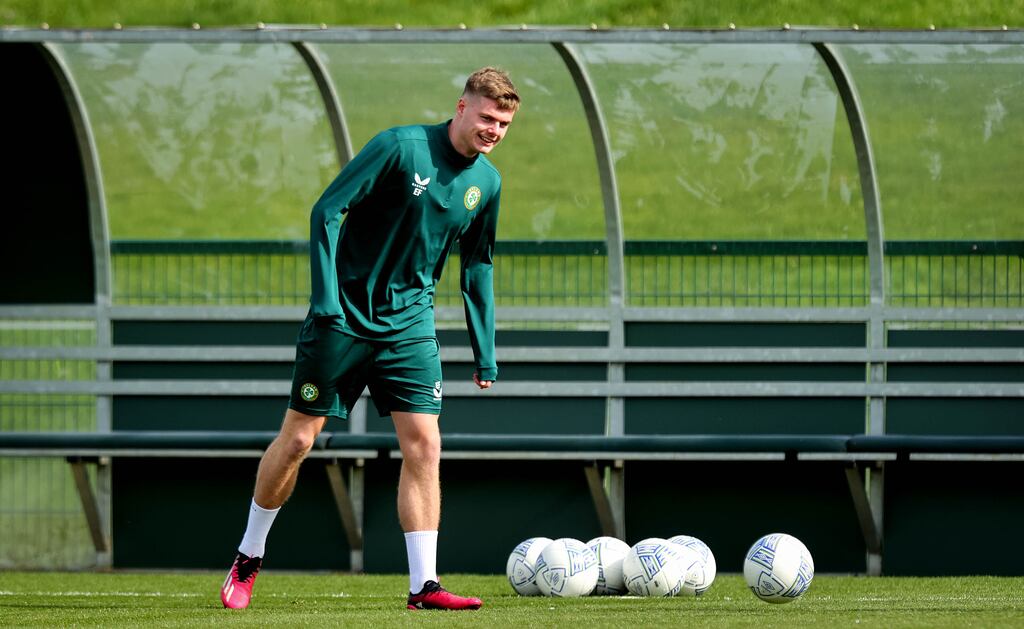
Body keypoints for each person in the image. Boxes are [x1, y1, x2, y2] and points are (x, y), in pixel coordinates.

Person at [220, 67, 519, 611]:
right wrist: (327, 298)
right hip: (344, 319)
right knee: (298, 442)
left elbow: (478, 267)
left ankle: (423, 586)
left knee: (425, 445)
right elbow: (327, 211)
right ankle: (249, 555)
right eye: (487, 117)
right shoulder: (400, 147)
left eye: (503, 122)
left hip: (410, 326)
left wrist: (486, 350)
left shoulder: (488, 184)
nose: (494, 129)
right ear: (461, 107)